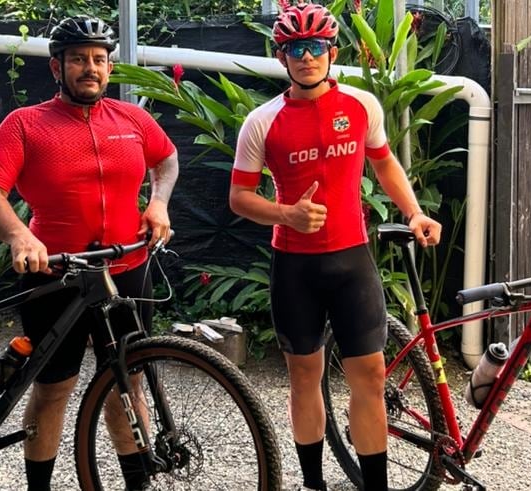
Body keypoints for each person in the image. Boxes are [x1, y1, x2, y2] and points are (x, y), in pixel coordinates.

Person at [229, 2, 442, 490]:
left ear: (332, 51)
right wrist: (286, 213)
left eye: (316, 47)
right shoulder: (262, 122)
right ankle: (312, 484)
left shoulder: (361, 104)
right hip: (295, 267)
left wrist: (414, 212)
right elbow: (239, 198)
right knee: (305, 378)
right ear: (282, 58)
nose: (307, 57)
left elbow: (384, 164)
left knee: (369, 376)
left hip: (352, 260)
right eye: (295, 49)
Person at [0, 16, 178, 491]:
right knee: (53, 389)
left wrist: (159, 201)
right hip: (55, 275)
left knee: (127, 382)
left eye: (99, 60)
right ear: (57, 67)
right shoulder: (25, 124)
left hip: (128, 268)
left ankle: (136, 484)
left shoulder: (132, 119)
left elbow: (166, 159)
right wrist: (20, 236)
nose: (91, 68)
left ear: (110, 67)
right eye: (79, 59)